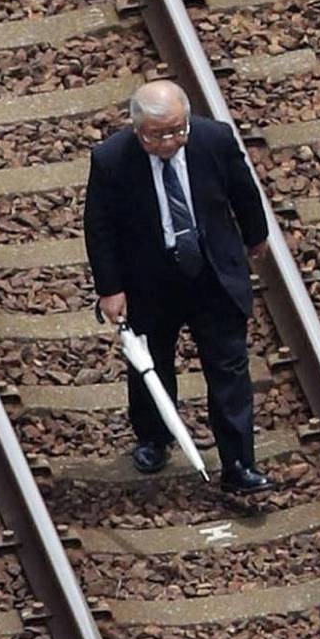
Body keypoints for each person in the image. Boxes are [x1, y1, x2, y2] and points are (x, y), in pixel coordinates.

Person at [84, 77, 270, 496]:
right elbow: (99, 228)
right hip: (151, 279)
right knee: (152, 364)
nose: (171, 141)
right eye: (159, 135)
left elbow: (244, 191)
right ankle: (153, 437)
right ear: (138, 131)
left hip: (211, 275)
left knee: (229, 369)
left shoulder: (213, 140)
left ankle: (239, 462)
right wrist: (110, 289)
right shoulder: (111, 160)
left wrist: (256, 237)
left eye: (177, 130)